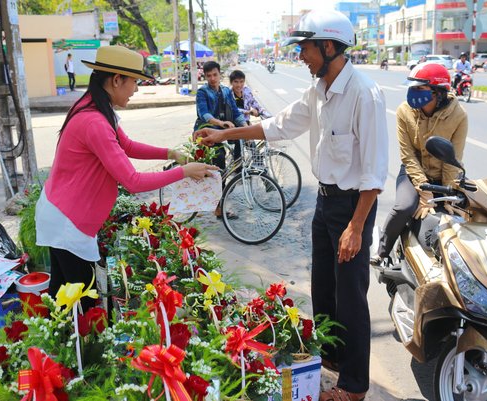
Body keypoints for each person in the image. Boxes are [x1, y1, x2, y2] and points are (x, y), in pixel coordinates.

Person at [195, 10, 388, 401]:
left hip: (353, 207)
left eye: (306, 48)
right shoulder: (317, 92)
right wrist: (224, 134)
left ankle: (354, 387)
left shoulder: (364, 94)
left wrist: (355, 227)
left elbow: (373, 173)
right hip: (324, 203)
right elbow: (277, 126)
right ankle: (333, 357)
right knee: (324, 290)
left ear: (329, 46)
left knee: (351, 296)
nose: (301, 56)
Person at [35, 46, 217, 311]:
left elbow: (127, 145)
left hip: (61, 213)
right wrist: (183, 172)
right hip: (68, 223)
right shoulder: (94, 121)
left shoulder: (94, 107)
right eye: (135, 82)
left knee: (62, 298)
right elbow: (132, 181)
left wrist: (170, 153)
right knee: (87, 306)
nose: (136, 89)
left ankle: (57, 346)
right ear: (117, 79)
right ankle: (74, 349)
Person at [372, 63, 467, 266]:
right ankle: (382, 251)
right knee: (404, 206)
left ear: (438, 92)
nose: (413, 92)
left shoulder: (459, 116)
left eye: (419, 88)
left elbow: (453, 160)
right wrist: (423, 190)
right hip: (412, 171)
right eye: (412, 87)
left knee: (460, 214)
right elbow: (407, 154)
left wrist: (450, 192)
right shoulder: (404, 111)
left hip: (443, 176)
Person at [194, 61, 247, 218]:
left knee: (238, 146)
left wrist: (245, 127)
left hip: (222, 132)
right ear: (205, 76)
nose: (212, 78)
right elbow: (204, 114)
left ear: (219, 74)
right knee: (219, 167)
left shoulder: (225, 91)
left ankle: (234, 175)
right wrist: (221, 123)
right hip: (205, 134)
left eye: (215, 75)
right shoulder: (202, 92)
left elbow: (236, 112)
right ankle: (218, 208)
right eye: (209, 75)